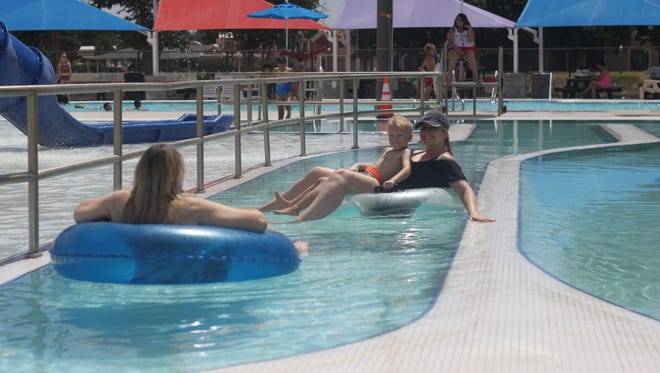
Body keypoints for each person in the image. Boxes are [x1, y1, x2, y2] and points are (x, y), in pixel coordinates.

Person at [260, 111, 494, 223]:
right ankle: (273, 205)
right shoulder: (416, 152)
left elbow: (463, 188)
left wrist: (473, 213)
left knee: (340, 176)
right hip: (379, 184)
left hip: (389, 194)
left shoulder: (444, 161)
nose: (426, 133)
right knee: (318, 172)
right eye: (423, 129)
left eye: (432, 129)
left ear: (444, 133)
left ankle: (300, 219)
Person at [73, 144, 269, 233]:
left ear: (140, 171)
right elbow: (258, 221)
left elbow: (80, 213)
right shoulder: (190, 208)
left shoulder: (119, 201)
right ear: (178, 173)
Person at [271, 114, 414, 217]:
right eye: (391, 136)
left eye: (400, 136)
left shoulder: (405, 152)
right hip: (366, 175)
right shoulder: (387, 151)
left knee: (338, 174)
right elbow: (374, 165)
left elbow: (407, 169)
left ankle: (294, 207)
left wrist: (393, 181)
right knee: (323, 180)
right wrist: (357, 166)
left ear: (409, 137)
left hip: (375, 183)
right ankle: (293, 205)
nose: (395, 140)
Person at [446, 13, 480, 86]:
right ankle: (449, 77)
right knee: (454, 55)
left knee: (471, 56)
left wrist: (470, 29)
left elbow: (471, 40)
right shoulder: (452, 30)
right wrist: (458, 50)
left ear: (464, 21)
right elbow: (450, 42)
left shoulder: (469, 30)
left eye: (460, 20)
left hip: (467, 49)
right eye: (457, 20)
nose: (458, 22)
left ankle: (476, 77)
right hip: (455, 48)